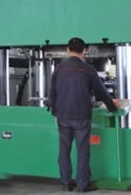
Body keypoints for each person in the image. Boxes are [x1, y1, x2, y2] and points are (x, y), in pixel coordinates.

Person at [50, 37, 120, 192]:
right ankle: (83, 184)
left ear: (68, 49)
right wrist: (112, 107)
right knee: (83, 150)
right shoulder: (88, 69)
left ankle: (66, 182)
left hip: (63, 115)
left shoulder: (59, 69)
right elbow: (100, 92)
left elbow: (53, 93)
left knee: (64, 150)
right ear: (84, 51)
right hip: (81, 115)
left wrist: (55, 112)